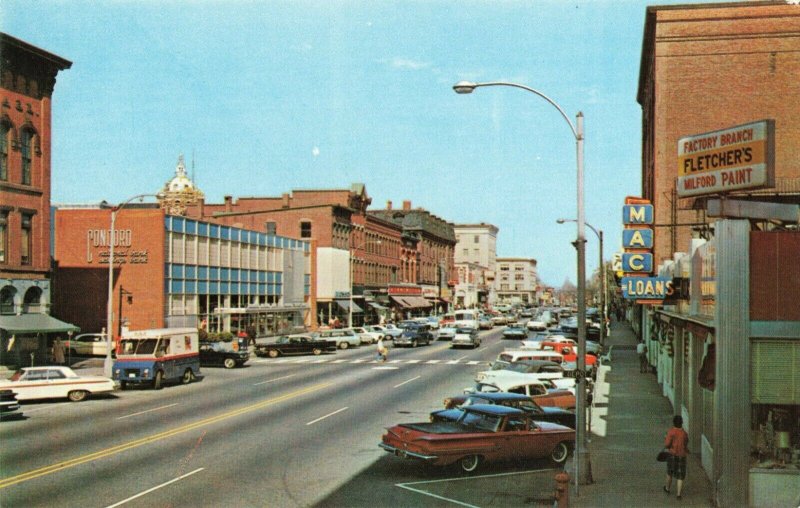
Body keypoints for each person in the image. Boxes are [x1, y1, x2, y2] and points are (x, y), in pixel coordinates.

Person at [663, 415, 689, 499]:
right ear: (681, 423)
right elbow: (685, 443)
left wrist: (665, 439)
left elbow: (667, 444)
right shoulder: (684, 433)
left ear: (673, 423)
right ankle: (678, 494)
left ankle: (667, 488)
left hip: (672, 455)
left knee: (669, 472)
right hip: (682, 455)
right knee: (680, 475)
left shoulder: (671, 432)